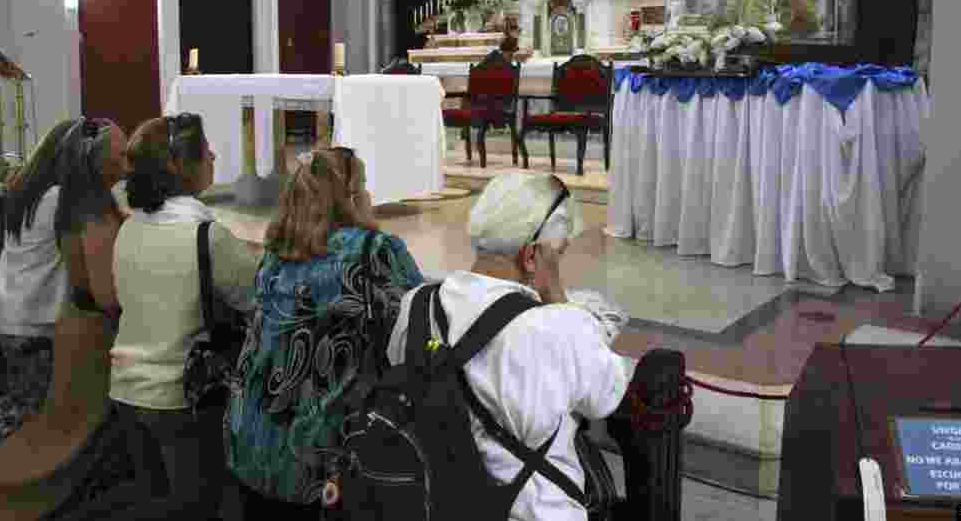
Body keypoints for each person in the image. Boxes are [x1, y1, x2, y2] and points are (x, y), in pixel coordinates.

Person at [386, 172, 636, 521]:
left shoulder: (416, 305)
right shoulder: (557, 326)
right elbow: (606, 395)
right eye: (557, 254)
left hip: (433, 507)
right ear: (531, 256)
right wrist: (558, 297)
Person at [227, 147, 425, 518]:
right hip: (317, 454)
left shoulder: (276, 251)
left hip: (252, 435)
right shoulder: (372, 252)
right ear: (351, 198)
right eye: (363, 187)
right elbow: (421, 319)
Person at [0, 117, 141, 518]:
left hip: (9, 313)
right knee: (35, 418)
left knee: (24, 406)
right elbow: (90, 256)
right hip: (35, 320)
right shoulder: (61, 199)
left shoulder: (31, 191)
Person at [98, 113, 262, 519]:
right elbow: (256, 297)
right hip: (182, 396)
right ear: (182, 166)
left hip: (126, 390)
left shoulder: (129, 229)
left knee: (154, 502)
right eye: (205, 150)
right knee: (197, 507)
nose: (213, 156)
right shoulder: (207, 236)